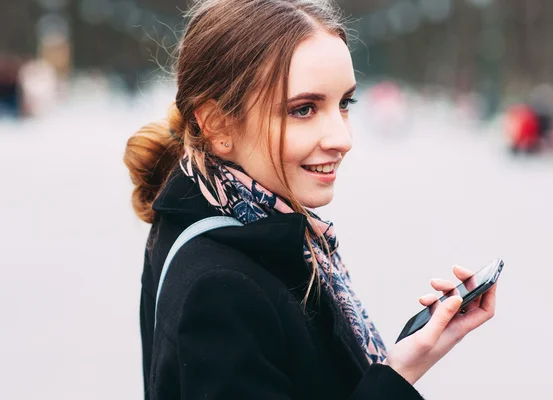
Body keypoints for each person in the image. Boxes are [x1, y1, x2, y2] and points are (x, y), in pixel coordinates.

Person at [123, 1, 498, 399]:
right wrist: (397, 376)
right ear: (217, 124)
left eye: (344, 104)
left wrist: (411, 357)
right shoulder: (222, 289)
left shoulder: (225, 223)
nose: (343, 139)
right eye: (303, 109)